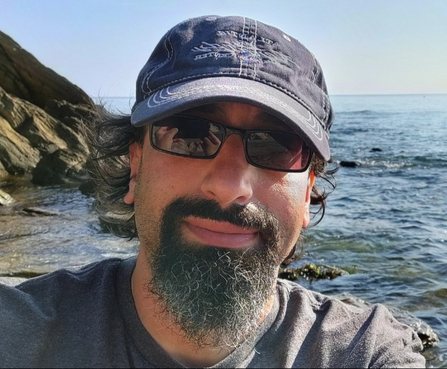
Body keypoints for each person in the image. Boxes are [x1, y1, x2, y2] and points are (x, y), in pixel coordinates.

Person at [0, 15, 425, 368]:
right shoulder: (20, 331)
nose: (229, 186)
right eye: (190, 133)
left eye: (275, 144)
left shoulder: (362, 352)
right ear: (135, 167)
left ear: (308, 192)